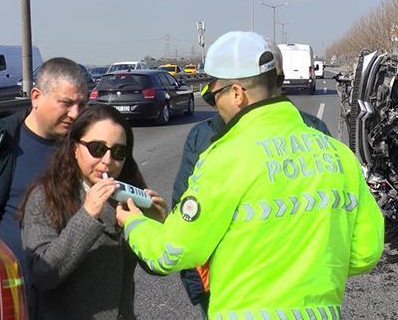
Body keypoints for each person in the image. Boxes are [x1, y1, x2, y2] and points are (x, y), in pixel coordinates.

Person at [117, 31, 384, 319]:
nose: (214, 104)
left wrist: (133, 223)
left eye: (213, 95)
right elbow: (366, 252)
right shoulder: (338, 155)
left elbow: (169, 252)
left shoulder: (225, 158)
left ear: (236, 94)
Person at [171, 41, 330, 314]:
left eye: (274, 79)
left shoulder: (314, 129)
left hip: (298, 294)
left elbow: (171, 242)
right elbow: (182, 217)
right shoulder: (204, 137)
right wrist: (201, 291)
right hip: (232, 295)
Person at [19, 104, 167, 320]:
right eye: (97, 149)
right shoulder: (45, 196)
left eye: (118, 152)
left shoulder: (127, 196)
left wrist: (156, 225)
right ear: (74, 148)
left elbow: (157, 268)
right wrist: (88, 215)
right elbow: (43, 274)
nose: (107, 161)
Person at [0, 57, 88, 275]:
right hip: (9, 292)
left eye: (82, 104)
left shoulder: (83, 147)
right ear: (36, 97)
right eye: (67, 103)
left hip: (66, 292)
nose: (75, 114)